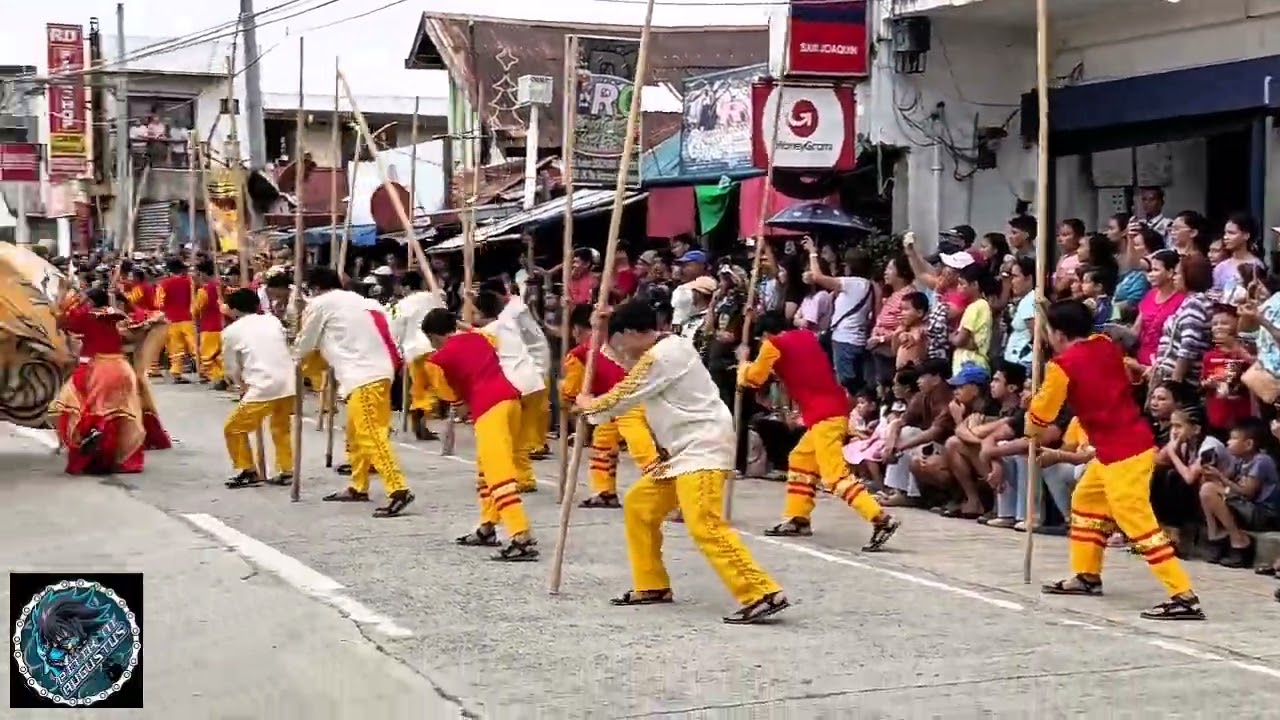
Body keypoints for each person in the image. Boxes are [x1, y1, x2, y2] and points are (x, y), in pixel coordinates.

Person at [577, 300, 788, 624]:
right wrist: (602, 330)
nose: (618, 348)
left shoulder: (665, 356)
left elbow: (626, 391)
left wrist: (591, 406)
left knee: (704, 521)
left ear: (632, 332)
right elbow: (624, 363)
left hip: (703, 448)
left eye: (619, 338)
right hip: (683, 455)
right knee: (639, 505)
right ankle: (651, 584)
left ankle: (761, 591)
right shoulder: (659, 352)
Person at [1031, 299, 1203, 621]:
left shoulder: (1062, 366)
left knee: (1136, 521)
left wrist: (1031, 420)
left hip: (1122, 451)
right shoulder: (1105, 344)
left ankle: (1183, 595)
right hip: (1120, 445)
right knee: (1087, 499)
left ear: (1058, 333)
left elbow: (1041, 416)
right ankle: (1087, 574)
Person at [738, 310, 899, 550]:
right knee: (801, 458)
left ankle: (880, 518)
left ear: (766, 334)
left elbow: (754, 379)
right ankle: (798, 517)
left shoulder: (773, 344)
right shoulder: (806, 336)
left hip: (825, 416)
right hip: (832, 411)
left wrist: (743, 363)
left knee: (834, 475)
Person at [295, 267, 415, 518]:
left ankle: (398, 489)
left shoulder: (321, 304)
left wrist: (294, 357)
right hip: (378, 372)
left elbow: (305, 343)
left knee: (371, 435)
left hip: (364, 375)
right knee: (356, 433)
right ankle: (358, 484)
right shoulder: (364, 302)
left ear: (315, 287)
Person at [421, 307, 538, 561]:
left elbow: (448, 395)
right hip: (511, 400)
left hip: (488, 408)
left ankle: (520, 535)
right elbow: (487, 338)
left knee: (498, 475)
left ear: (432, 336)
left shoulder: (436, 360)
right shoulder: (479, 338)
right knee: (486, 470)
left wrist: (460, 403)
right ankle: (487, 525)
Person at [561, 304, 662, 508]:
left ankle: (664, 490)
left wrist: (573, 402)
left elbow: (570, 392)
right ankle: (605, 491)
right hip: (619, 402)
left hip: (628, 400)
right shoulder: (603, 345)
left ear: (576, 330)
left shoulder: (581, 353)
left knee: (642, 448)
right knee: (603, 439)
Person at [50, 288, 159, 474]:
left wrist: (63, 304)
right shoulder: (118, 314)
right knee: (120, 414)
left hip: (98, 367)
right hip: (122, 368)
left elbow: (61, 323)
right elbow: (138, 324)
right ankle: (117, 457)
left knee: (72, 406)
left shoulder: (86, 316)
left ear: (91, 302)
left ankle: (93, 445)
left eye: (85, 299)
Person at [218, 288, 296, 487]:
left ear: (234, 309)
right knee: (281, 428)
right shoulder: (272, 321)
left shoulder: (231, 332)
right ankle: (287, 469)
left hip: (263, 386)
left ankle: (248, 469)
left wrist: (241, 386)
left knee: (233, 429)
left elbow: (231, 369)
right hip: (288, 381)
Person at [474, 290, 544, 493]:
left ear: (480, 313)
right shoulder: (509, 324)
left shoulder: (487, 333)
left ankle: (492, 476)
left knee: (502, 437)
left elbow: (473, 337)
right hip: (534, 383)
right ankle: (525, 478)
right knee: (520, 438)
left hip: (514, 386)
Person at [484, 277, 554, 460]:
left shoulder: (513, 311)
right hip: (527, 358)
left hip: (534, 358)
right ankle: (536, 442)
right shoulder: (512, 307)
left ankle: (536, 444)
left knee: (536, 408)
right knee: (534, 406)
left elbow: (492, 331)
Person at [390, 270, 444, 441]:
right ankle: (423, 414)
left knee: (420, 388)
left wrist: (398, 353)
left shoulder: (402, 305)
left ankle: (420, 412)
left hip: (414, 350)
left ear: (406, 287)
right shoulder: (434, 297)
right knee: (436, 386)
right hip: (436, 345)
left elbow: (395, 330)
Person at [154, 258, 198, 382]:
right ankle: (205, 372)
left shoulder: (163, 284)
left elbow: (158, 303)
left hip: (170, 320)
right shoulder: (190, 282)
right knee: (195, 347)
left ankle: (176, 372)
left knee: (175, 348)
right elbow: (195, 298)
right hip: (188, 318)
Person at [193, 259, 227, 389]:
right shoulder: (220, 286)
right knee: (219, 356)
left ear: (201, 273)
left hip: (208, 327)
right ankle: (223, 376)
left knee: (208, 356)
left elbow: (196, 309)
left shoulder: (203, 291)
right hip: (221, 325)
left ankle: (218, 378)